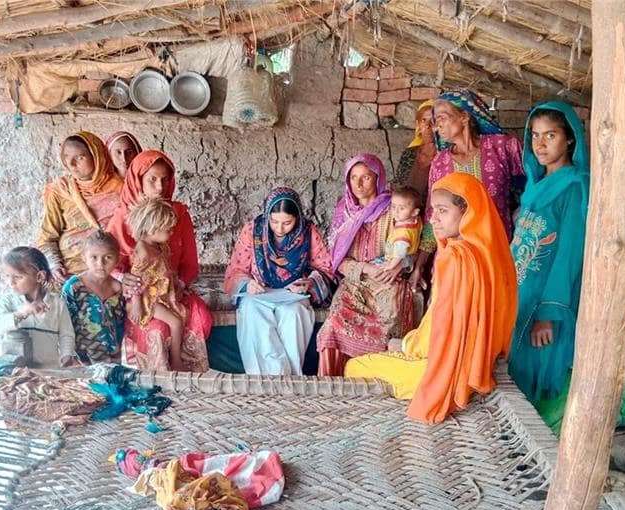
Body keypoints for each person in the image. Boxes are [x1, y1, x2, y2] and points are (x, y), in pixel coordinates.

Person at [506, 101, 625, 432]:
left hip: (545, 296)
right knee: (510, 358)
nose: (540, 144)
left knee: (532, 362)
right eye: (535, 136)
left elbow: (569, 252)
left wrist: (549, 314)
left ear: (569, 139)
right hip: (521, 288)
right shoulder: (536, 185)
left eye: (550, 135)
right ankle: (510, 422)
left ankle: (527, 433)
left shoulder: (577, 185)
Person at [345, 173, 518, 424]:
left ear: (467, 212)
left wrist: (406, 346)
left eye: (443, 211)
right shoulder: (487, 254)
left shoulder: (456, 258)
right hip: (479, 361)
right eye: (433, 211)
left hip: (446, 367)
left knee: (355, 367)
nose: (433, 219)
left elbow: (441, 326)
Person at [106, 150, 211, 372]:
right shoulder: (124, 217)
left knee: (199, 316)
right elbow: (111, 264)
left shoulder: (177, 212)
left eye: (165, 179)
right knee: (158, 327)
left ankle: (191, 374)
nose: (160, 186)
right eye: (152, 179)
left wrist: (180, 284)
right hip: (140, 293)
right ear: (137, 179)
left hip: (169, 288)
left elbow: (188, 260)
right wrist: (126, 283)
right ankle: (163, 371)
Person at [411, 90, 524, 290]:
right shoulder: (440, 162)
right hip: (454, 261)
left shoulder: (503, 147)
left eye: (442, 119)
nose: (437, 127)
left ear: (464, 116)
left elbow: (536, 183)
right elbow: (433, 215)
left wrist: (520, 215)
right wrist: (420, 265)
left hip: (496, 255)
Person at [316, 153, 415, 376]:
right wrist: (365, 269)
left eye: (366, 177)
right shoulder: (344, 211)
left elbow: (409, 243)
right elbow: (338, 260)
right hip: (355, 282)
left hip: (388, 280)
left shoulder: (393, 208)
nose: (359, 184)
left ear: (378, 178)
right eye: (353, 178)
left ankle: (383, 381)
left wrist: (399, 266)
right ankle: (332, 385)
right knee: (332, 327)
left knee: (392, 320)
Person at [224, 187, 334, 375]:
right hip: (259, 293)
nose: (279, 228)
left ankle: (289, 377)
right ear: (267, 215)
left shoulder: (308, 232)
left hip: (293, 294)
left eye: (287, 223)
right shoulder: (253, 230)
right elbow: (236, 270)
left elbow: (326, 268)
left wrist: (308, 283)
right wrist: (247, 283)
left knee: (294, 314)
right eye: (274, 221)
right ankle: (265, 378)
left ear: (297, 218)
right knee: (251, 311)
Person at [37, 131, 122, 284]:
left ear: (96, 156)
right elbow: (47, 238)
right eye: (66, 157)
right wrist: (55, 265)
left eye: (80, 157)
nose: (71, 164)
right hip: (68, 272)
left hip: (110, 271)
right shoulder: (60, 190)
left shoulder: (120, 188)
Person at [0, 246, 76, 368]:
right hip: (18, 371)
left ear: (40, 276)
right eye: (7, 276)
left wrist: (66, 355)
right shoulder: (9, 301)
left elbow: (66, 334)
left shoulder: (57, 303)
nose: (10, 282)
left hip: (50, 369)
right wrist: (22, 314)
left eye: (18, 277)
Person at [126, 197, 185, 371]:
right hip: (148, 299)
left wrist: (176, 284)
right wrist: (136, 304)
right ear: (154, 228)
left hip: (160, 293)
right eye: (168, 229)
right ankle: (176, 360)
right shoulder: (143, 251)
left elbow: (164, 270)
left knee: (182, 314)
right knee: (176, 322)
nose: (172, 232)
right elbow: (136, 279)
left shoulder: (160, 246)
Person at [62, 230, 125, 365]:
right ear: (84, 257)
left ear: (117, 259)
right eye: (94, 257)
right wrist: (68, 355)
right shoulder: (74, 287)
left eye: (108, 257)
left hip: (113, 360)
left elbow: (120, 326)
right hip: (80, 360)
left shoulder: (119, 290)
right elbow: (63, 323)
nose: (100, 264)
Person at [371, 186, 422, 275]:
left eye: (402, 208)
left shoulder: (403, 234)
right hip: (408, 258)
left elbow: (399, 254)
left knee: (373, 268)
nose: (396, 211)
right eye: (393, 206)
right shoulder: (416, 220)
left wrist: (391, 265)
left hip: (396, 261)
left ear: (414, 212)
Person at [394, 99, 437, 201]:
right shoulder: (409, 153)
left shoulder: (447, 154)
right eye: (423, 120)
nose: (427, 126)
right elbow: (399, 183)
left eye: (433, 121)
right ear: (418, 124)